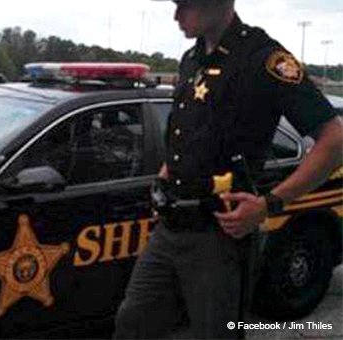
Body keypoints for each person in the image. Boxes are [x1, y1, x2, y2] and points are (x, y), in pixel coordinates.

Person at [113, 0, 343, 338]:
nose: (176, 16)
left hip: (218, 235)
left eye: (185, 6)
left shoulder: (264, 59)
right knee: (132, 323)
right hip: (170, 228)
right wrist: (165, 175)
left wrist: (270, 204)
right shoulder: (192, 60)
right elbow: (188, 134)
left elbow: (334, 139)